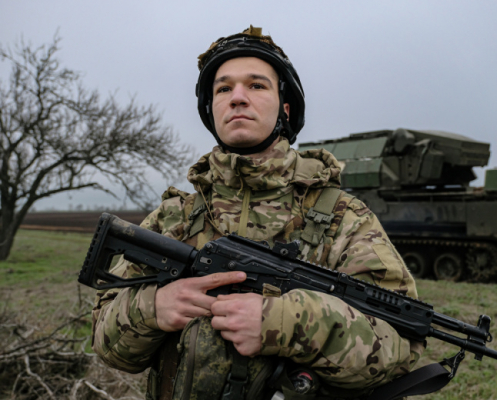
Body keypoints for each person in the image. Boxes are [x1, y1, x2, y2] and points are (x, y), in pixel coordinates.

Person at [92, 26, 423, 400]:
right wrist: (153, 307)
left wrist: (287, 323)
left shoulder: (345, 219)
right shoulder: (172, 218)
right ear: (212, 110)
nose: (237, 98)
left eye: (256, 85)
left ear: (284, 108)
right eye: (223, 89)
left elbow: (398, 350)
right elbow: (107, 346)